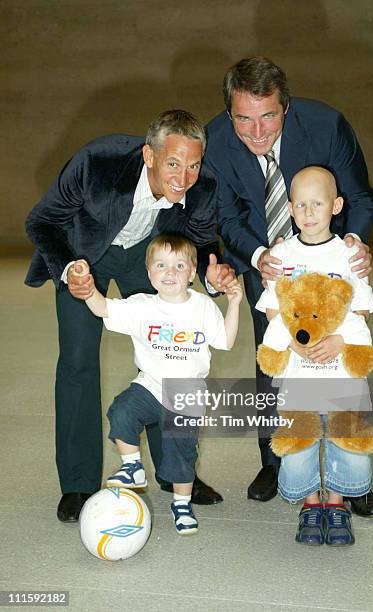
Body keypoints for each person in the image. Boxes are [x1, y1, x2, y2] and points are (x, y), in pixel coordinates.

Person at [25, 109, 236, 523]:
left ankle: (175, 476)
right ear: (149, 155)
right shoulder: (97, 164)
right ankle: (78, 483)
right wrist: (70, 269)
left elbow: (201, 240)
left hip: (148, 257)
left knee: (169, 360)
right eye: (173, 163)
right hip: (85, 254)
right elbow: (42, 220)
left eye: (193, 165)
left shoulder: (203, 185)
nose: (184, 177)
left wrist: (213, 273)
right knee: (78, 362)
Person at [205, 56, 373, 516]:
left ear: (286, 106)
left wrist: (355, 242)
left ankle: (352, 477)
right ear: (229, 114)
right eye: (243, 118)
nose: (257, 132)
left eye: (268, 116)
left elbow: (359, 197)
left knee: (347, 359)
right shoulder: (219, 142)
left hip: (330, 256)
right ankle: (276, 461)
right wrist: (260, 256)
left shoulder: (326, 126)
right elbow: (228, 217)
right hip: (267, 261)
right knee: (274, 357)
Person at [71, 233, 242, 535]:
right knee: (122, 410)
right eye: (161, 265)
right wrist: (87, 291)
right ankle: (132, 466)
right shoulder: (141, 306)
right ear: (149, 272)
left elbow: (226, 342)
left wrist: (235, 304)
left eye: (179, 265)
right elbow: (104, 309)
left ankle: (181, 503)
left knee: (181, 454)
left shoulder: (202, 307)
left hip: (186, 393)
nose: (169, 272)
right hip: (150, 384)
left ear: (192, 273)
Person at [257, 166, 373, 545]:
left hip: (342, 374)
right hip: (298, 374)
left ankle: (337, 504)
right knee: (301, 443)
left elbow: (360, 309)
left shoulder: (348, 255)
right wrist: (293, 342)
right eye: (301, 205)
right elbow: (272, 309)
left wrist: (341, 342)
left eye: (318, 203)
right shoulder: (283, 254)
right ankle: (312, 504)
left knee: (346, 440)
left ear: (336, 206)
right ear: (290, 209)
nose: (309, 212)